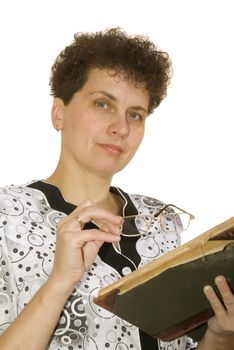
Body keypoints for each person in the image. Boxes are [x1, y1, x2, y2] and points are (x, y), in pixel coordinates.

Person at [0, 28, 233, 350]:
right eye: (102, 104)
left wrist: (220, 336)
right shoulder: (7, 216)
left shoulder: (160, 220)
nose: (120, 128)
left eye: (135, 115)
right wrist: (60, 282)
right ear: (59, 112)